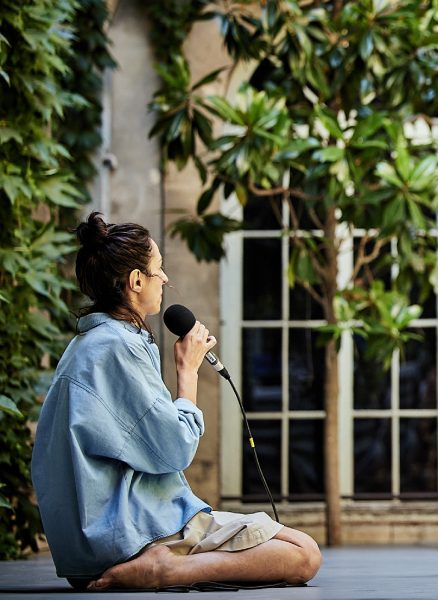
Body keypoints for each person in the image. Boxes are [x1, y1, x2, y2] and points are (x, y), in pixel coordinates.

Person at [30, 213, 322, 589]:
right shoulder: (118, 347)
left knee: (294, 544)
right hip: (133, 534)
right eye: (158, 269)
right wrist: (188, 373)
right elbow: (174, 450)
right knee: (304, 555)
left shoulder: (88, 345)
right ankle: (165, 569)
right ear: (136, 281)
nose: (165, 279)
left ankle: (164, 564)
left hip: (95, 540)